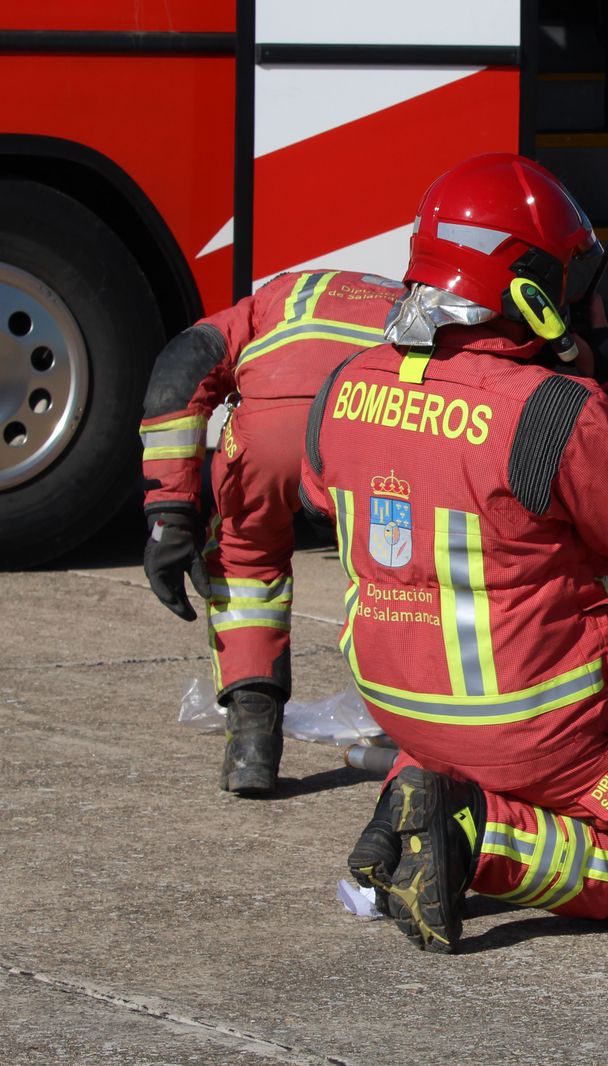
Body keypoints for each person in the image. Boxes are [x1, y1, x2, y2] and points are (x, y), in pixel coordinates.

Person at [299, 153, 608, 953]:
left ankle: (415, 810)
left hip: (401, 703)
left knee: (464, 749)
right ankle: (476, 837)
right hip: (529, 722)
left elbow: (321, 499)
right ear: (526, 288)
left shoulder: (345, 382)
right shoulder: (555, 411)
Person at [139, 269, 399, 794]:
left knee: (245, 557)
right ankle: (422, 731)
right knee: (402, 568)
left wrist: (170, 514)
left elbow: (179, 372)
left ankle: (252, 742)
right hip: (371, 418)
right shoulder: (405, 300)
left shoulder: (265, 306)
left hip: (272, 429)